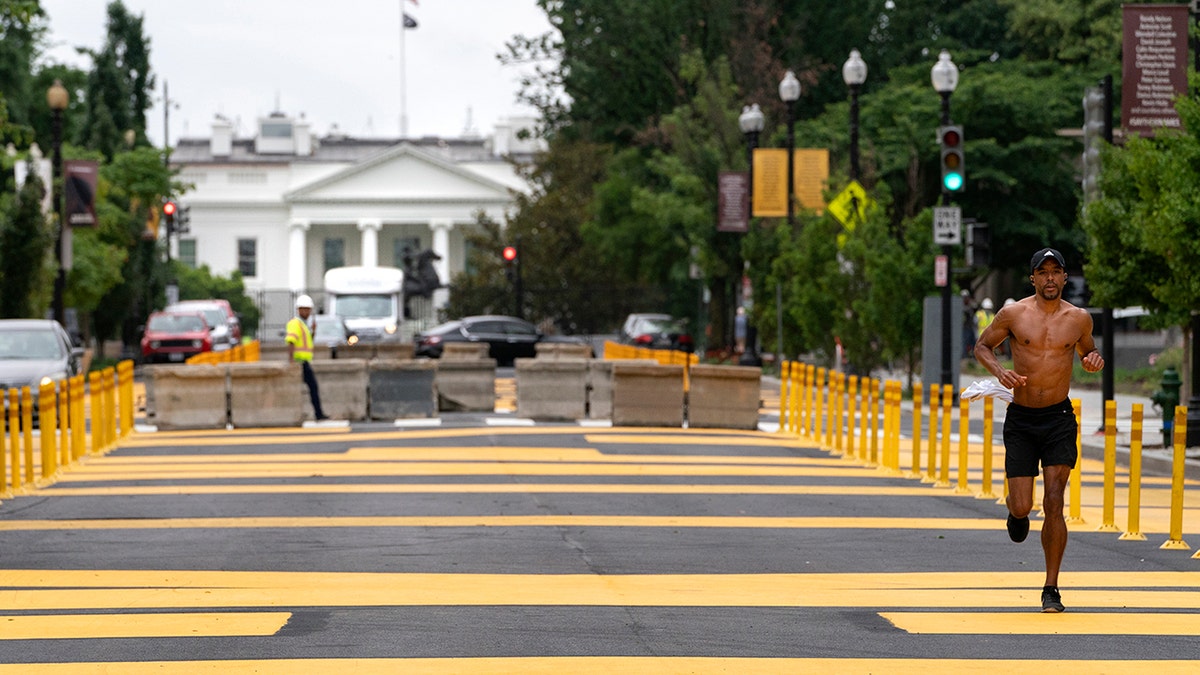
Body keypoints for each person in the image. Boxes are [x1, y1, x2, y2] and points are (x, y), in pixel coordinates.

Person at [974, 247, 1104, 613]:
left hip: (1059, 418)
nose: (1050, 278)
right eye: (1042, 272)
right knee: (1023, 504)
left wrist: (1093, 361)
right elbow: (982, 346)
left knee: (1054, 500)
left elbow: (1089, 354)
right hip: (1022, 417)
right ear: (1033, 278)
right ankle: (1016, 516)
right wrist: (1000, 372)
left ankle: (1051, 588)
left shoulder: (1079, 319)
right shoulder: (1013, 314)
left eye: (1056, 272)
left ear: (1065, 277)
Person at [286, 294, 328, 421]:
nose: (306, 311)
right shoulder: (295, 323)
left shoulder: (303, 324)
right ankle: (318, 414)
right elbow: (291, 342)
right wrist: (292, 361)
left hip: (304, 361)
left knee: (312, 388)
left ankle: (319, 414)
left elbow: (307, 341)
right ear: (298, 310)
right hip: (299, 362)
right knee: (313, 387)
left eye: (308, 309)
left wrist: (313, 332)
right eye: (303, 309)